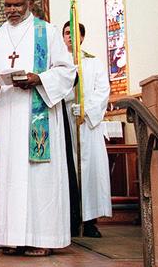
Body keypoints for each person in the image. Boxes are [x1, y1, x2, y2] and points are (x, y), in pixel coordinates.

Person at [0, 0, 76, 256]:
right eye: (7, 5)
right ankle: (13, 237)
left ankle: (42, 239)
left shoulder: (47, 32)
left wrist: (38, 78)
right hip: (6, 116)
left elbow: (67, 72)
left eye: (17, 4)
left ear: (30, 3)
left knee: (38, 178)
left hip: (36, 116)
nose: (12, 10)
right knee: (9, 178)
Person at [62, 22, 112, 238]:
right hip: (65, 123)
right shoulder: (58, 64)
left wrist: (86, 110)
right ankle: (70, 219)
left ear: (82, 37)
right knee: (68, 170)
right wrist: (68, 103)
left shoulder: (94, 63)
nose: (70, 37)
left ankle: (90, 221)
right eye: (66, 33)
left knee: (90, 171)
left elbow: (103, 91)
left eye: (74, 33)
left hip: (88, 125)